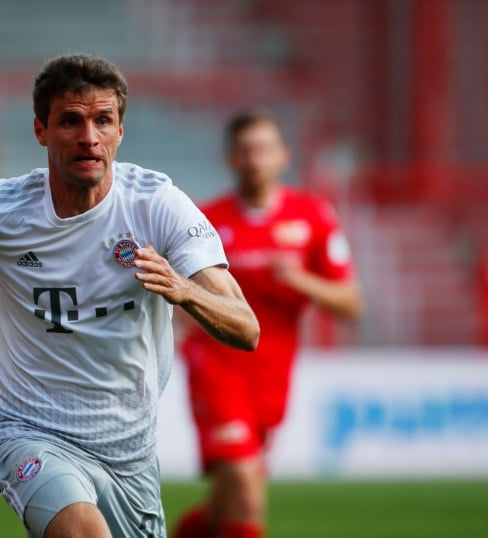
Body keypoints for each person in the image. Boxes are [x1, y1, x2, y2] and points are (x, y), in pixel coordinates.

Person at [0, 53, 260, 538]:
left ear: (120, 132)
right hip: (26, 428)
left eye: (103, 120)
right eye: (70, 121)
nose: (89, 137)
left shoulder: (158, 206)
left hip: (128, 451)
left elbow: (246, 327)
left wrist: (184, 289)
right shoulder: (3, 209)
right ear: (40, 131)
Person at [173, 110, 363, 538]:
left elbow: (350, 303)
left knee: (225, 508)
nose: (255, 159)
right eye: (245, 151)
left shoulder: (313, 216)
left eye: (263, 149)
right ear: (230, 160)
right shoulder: (206, 221)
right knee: (246, 492)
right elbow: (177, 292)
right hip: (216, 368)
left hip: (273, 376)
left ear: (283, 156)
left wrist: (299, 279)